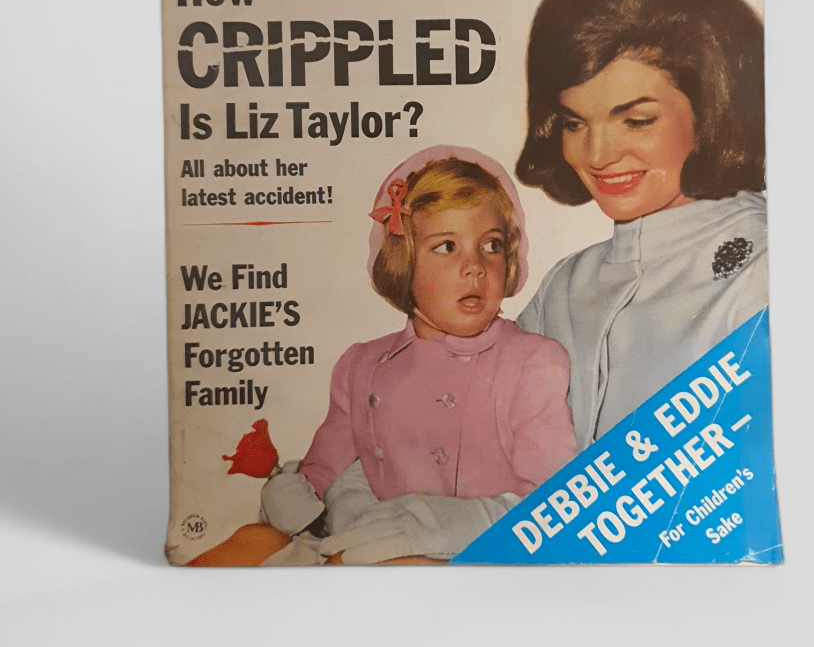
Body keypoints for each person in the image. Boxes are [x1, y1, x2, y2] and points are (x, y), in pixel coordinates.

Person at [190, 146, 576, 566]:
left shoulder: (533, 363)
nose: (475, 266)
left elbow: (551, 505)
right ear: (404, 260)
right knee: (253, 540)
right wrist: (293, 497)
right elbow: (323, 470)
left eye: (492, 245)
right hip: (366, 540)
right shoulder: (362, 365)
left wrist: (427, 526)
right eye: (447, 246)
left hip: (472, 553)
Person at [515, 0, 769, 449]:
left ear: (711, 108)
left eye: (636, 120)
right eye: (574, 123)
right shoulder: (565, 286)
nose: (597, 155)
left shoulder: (768, 268)